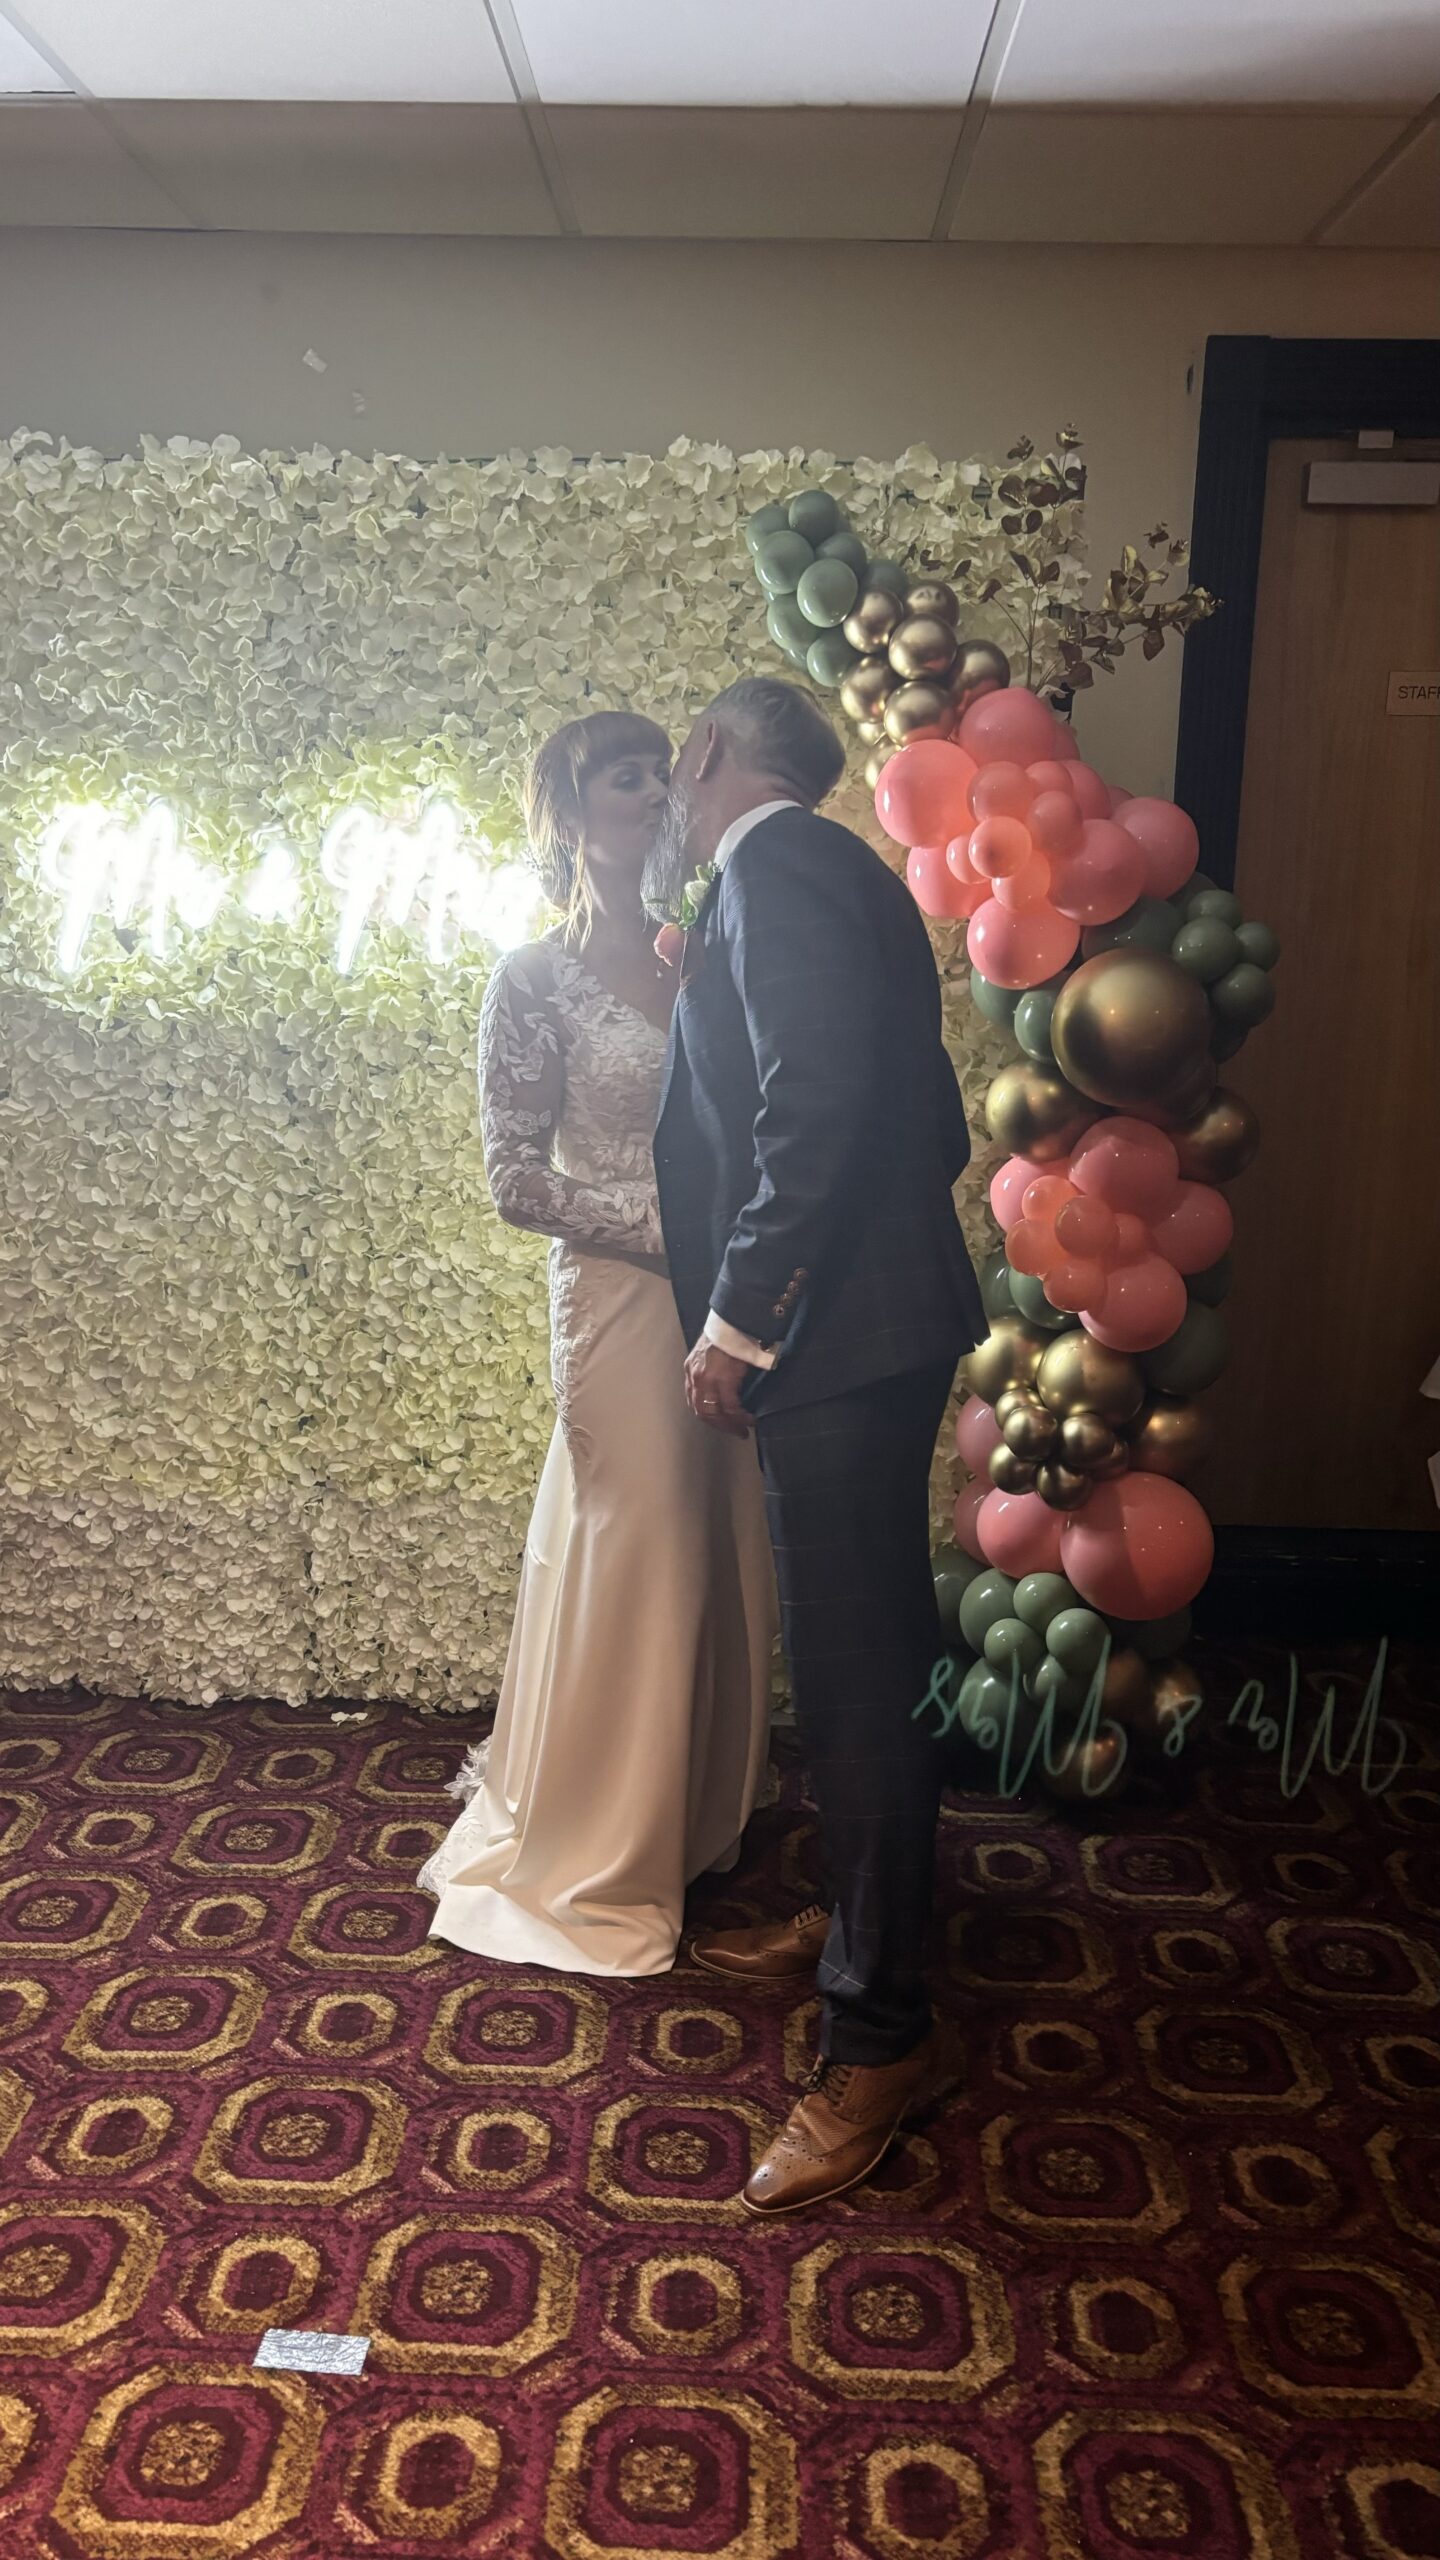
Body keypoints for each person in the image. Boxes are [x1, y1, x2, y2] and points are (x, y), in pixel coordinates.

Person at [647, 677, 985, 2214]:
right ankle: (859, 1926)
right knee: (864, 1665)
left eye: (673, 764)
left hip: (835, 1336)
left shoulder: (777, 865)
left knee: (857, 1688)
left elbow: (817, 1108)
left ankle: (880, 2038)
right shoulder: (819, 870)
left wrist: (739, 1321)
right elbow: (923, 1117)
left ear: (709, 753)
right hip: (872, 1326)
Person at [421, 711, 776, 1976]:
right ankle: (601, 1839)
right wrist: (669, 1227)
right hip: (621, 1301)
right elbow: (514, 1178)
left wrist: (747, 1251)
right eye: (627, 778)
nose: (655, 795)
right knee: (642, 1541)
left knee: (719, 1539)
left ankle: (692, 1812)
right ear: (571, 815)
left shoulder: (709, 947)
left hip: (730, 1296)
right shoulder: (532, 978)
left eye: (660, 776)